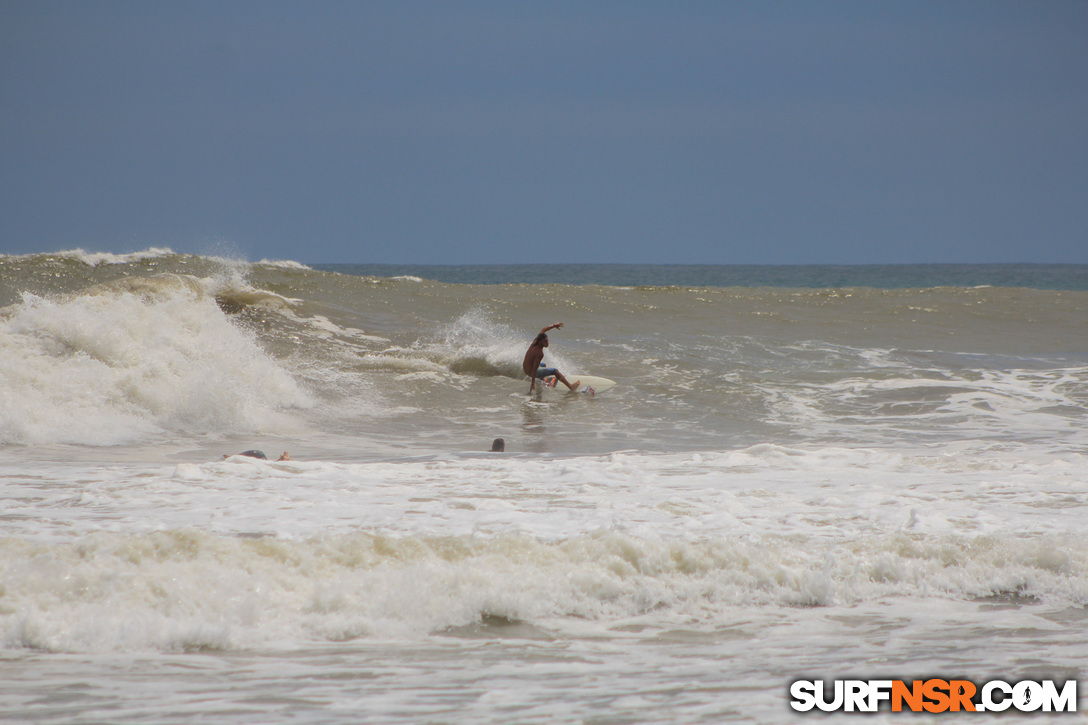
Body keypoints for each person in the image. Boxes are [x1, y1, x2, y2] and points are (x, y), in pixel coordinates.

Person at [522, 322, 580, 394]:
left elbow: (543, 329)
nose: (547, 343)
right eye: (545, 342)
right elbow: (534, 369)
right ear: (540, 342)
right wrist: (532, 383)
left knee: (543, 365)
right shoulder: (539, 353)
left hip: (525, 368)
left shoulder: (535, 341)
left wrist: (554, 325)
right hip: (530, 371)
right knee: (555, 371)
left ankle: (542, 380)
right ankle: (571, 387)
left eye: (547, 341)